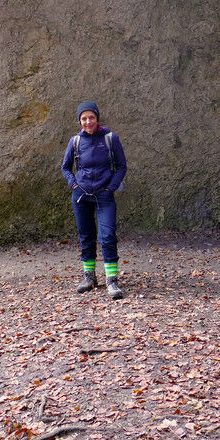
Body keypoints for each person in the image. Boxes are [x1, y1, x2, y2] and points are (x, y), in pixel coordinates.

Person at [61, 100, 127, 299]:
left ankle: (111, 280)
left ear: (97, 118)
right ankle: (89, 277)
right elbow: (65, 167)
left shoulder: (110, 138)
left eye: (91, 117)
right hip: (81, 196)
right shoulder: (75, 142)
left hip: (104, 196)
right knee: (86, 236)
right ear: (79, 121)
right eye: (84, 118)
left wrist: (110, 187)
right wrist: (74, 184)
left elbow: (121, 166)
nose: (88, 122)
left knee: (107, 236)